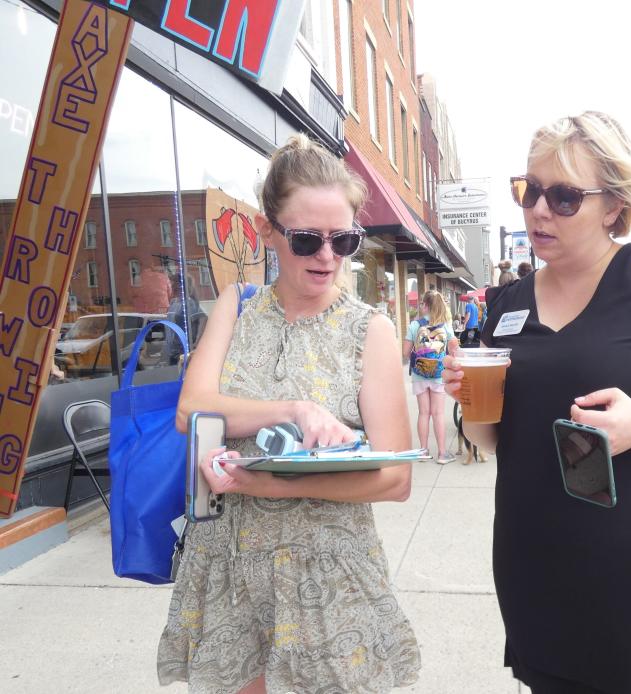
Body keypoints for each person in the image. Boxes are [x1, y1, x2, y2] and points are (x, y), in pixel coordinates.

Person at [442, 111, 631, 694]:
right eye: (528, 190)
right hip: (538, 561)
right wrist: (470, 402)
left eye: (563, 197)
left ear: (613, 204)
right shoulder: (505, 303)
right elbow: (491, 441)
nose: (538, 209)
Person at [157, 134, 421, 693]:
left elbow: (396, 479)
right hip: (232, 559)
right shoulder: (238, 305)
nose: (327, 256)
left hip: (327, 566)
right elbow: (190, 411)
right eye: (306, 239)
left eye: (343, 240)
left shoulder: (368, 329)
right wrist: (297, 409)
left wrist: (270, 486)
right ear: (266, 231)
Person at [402, 290, 459, 464]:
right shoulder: (446, 327)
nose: (420, 306)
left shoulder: (414, 325)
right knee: (439, 413)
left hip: (420, 375)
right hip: (438, 374)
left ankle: (423, 452)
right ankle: (442, 454)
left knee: (423, 413)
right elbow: (454, 351)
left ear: (425, 306)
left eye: (421, 303)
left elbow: (404, 353)